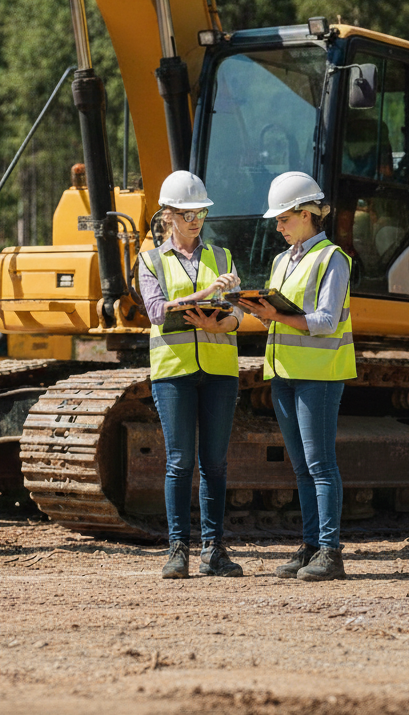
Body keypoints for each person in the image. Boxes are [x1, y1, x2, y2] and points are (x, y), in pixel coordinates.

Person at [239, 171, 356, 582]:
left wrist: (278, 316)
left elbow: (324, 321)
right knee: (303, 467)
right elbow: (279, 316)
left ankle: (331, 552)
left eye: (284, 218)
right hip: (285, 373)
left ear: (307, 215)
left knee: (321, 464)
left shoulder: (333, 259)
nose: (278, 226)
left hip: (319, 375)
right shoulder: (280, 261)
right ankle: (311, 546)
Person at [139, 170, 243, 579]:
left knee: (215, 465)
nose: (195, 220)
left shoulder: (223, 256)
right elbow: (157, 311)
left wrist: (227, 322)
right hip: (174, 372)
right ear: (167, 215)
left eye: (199, 212)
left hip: (219, 370)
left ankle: (214, 551)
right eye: (186, 214)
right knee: (180, 463)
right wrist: (205, 295)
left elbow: (237, 311)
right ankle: (178, 549)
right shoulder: (150, 260)